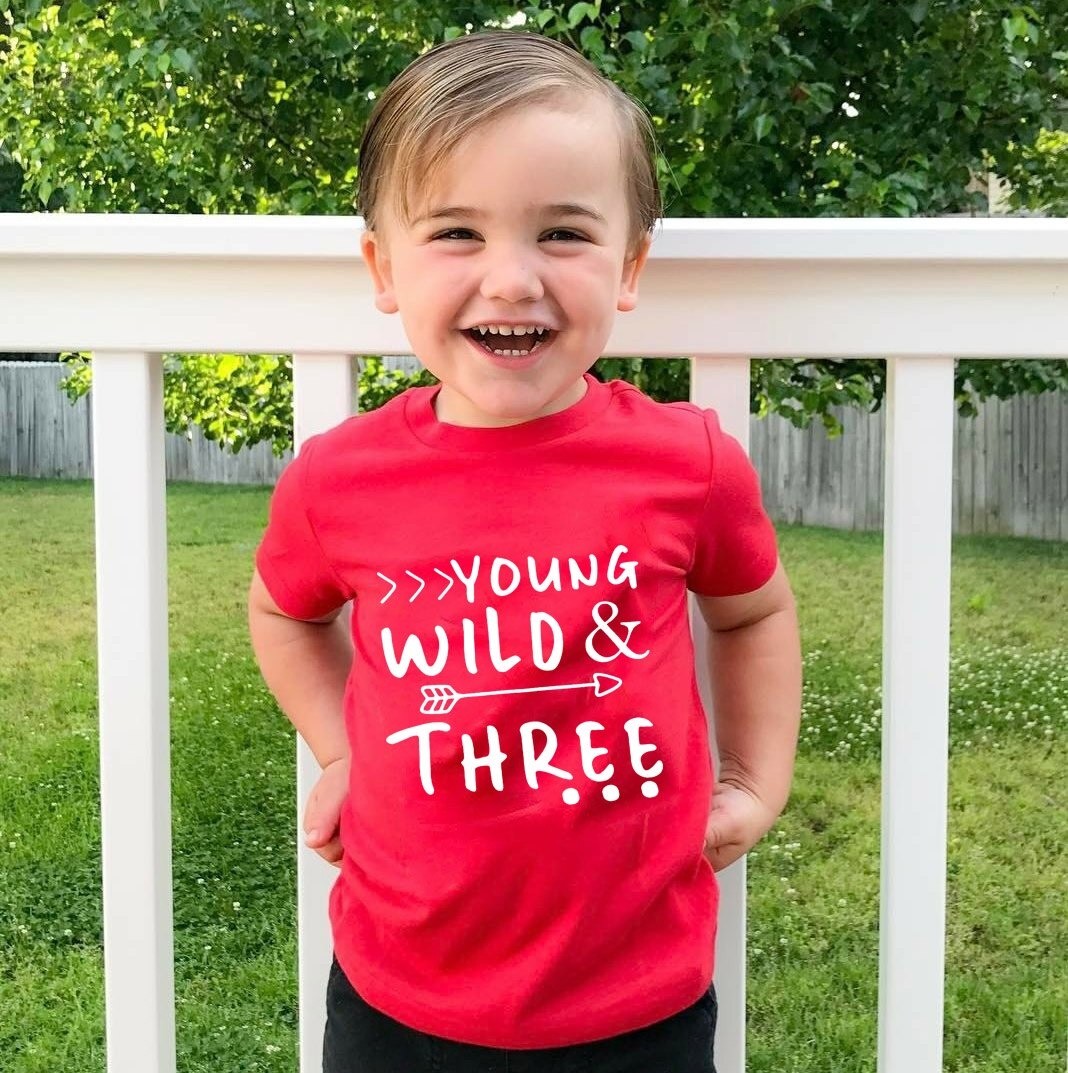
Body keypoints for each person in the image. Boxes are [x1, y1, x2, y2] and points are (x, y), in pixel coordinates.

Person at [249, 28, 801, 1073]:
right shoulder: (338, 480)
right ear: (384, 266)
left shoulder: (687, 464)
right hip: (397, 999)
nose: (511, 279)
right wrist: (342, 751)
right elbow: (284, 609)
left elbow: (753, 609)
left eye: (563, 233)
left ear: (629, 266)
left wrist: (754, 777)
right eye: (456, 231)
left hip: (637, 1003)